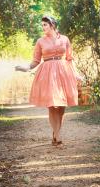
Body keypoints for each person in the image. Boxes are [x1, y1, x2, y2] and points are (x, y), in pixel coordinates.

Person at [15, 15, 83, 146]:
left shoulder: (65, 39)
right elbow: (35, 60)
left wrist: (76, 74)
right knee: (52, 105)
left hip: (64, 72)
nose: (43, 27)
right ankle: (58, 136)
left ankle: (55, 132)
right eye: (42, 25)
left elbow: (69, 58)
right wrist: (26, 67)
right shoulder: (40, 41)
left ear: (52, 25)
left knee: (62, 106)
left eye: (45, 25)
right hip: (48, 74)